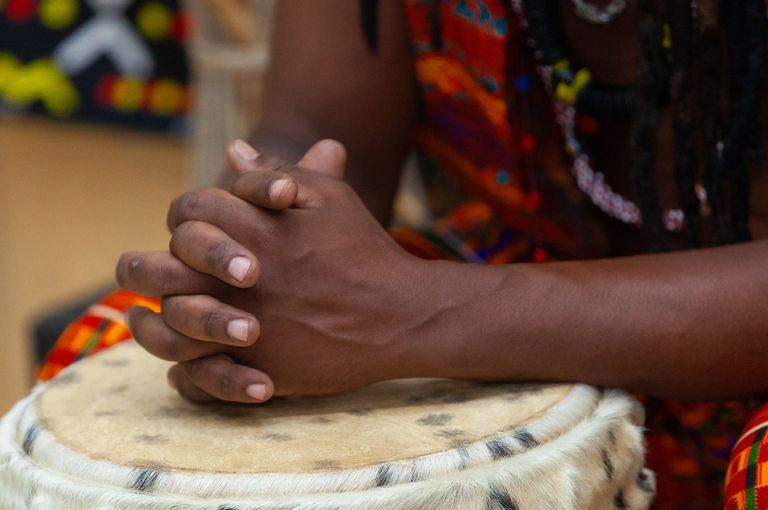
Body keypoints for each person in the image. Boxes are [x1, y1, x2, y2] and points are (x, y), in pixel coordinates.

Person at [40, 1, 768, 509]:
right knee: (106, 345)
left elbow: (396, 310)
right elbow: (312, 125)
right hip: (511, 270)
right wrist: (252, 270)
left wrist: (413, 313)